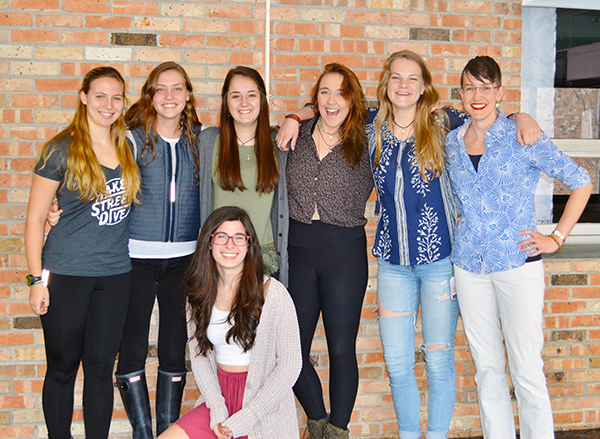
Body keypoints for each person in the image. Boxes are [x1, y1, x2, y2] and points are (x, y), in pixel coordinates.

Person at [277, 53, 540, 439]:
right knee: (398, 364)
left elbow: (488, 116)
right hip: (393, 263)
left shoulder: (445, 122)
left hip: (439, 262)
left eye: (412, 78)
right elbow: (330, 104)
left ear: (423, 85)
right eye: (396, 78)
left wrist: (521, 117)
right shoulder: (369, 125)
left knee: (437, 360)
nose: (403, 85)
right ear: (386, 84)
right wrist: (295, 115)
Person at [445, 55, 591, 439]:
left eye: (486, 87)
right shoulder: (451, 142)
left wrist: (556, 238)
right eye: (470, 87)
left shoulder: (521, 135)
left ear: (500, 92)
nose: (478, 95)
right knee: (487, 368)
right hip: (469, 265)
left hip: (518, 263)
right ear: (461, 94)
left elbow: (581, 182)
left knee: (526, 367)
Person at [25, 66, 141, 439]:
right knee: (61, 368)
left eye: (116, 97)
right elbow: (34, 219)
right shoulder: (62, 149)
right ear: (84, 97)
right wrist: (35, 280)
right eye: (100, 96)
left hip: (115, 275)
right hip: (65, 275)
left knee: (100, 369)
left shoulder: (125, 145)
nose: (108, 105)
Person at [112, 61, 203, 438]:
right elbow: (97, 177)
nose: (169, 96)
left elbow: (252, 127)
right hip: (136, 259)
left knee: (173, 347)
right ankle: (143, 433)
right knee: (132, 345)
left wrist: (300, 115)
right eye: (161, 89)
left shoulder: (201, 139)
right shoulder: (131, 139)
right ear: (150, 95)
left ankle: (167, 431)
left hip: (184, 260)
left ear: (187, 96)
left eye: (177, 88)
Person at [283, 63, 373, 439]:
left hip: (344, 254)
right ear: (315, 98)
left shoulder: (369, 138)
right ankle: (317, 420)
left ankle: (338, 431)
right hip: (299, 254)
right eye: (324, 92)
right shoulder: (295, 135)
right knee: (291, 352)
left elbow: (407, 110)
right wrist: (293, 115)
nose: (332, 101)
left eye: (341, 92)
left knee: (340, 348)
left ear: (353, 99)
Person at [158, 206, 302, 439]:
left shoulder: (273, 293)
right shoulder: (198, 294)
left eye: (238, 238)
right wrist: (216, 407)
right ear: (209, 242)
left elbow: (290, 365)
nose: (230, 245)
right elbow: (200, 358)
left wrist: (249, 416)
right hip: (218, 400)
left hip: (261, 406)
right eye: (221, 236)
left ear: (249, 245)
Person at [197, 66, 289, 285]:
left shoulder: (279, 144)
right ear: (226, 102)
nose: (244, 103)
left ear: (262, 101)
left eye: (252, 95)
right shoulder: (209, 142)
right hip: (220, 258)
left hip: (262, 259)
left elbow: (319, 110)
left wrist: (294, 118)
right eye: (235, 96)